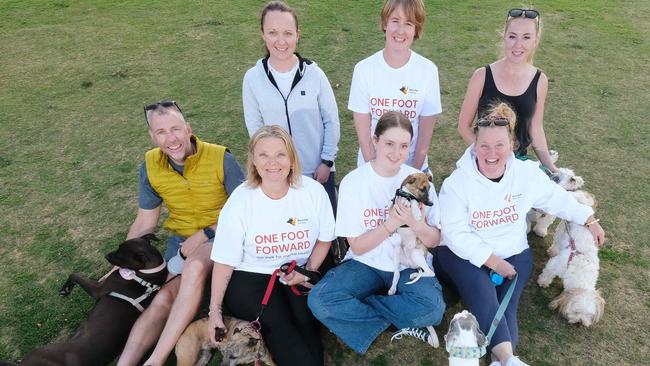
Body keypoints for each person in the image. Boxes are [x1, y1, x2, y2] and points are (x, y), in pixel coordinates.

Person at [434, 103, 605, 366]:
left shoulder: (526, 174)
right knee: (482, 291)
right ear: (474, 144)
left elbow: (556, 199)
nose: (491, 154)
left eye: (499, 145)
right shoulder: (457, 183)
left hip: (514, 253)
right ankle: (508, 359)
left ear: (513, 143)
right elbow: (455, 234)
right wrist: (492, 261)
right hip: (462, 256)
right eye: (484, 146)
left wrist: (588, 218)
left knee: (507, 304)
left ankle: (498, 360)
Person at [116, 100, 244, 366]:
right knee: (163, 298)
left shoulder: (222, 158)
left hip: (222, 236)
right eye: (161, 132)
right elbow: (144, 222)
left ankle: (156, 360)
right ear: (152, 136)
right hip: (181, 242)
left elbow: (247, 213)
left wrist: (205, 233)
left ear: (188, 129)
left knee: (195, 267)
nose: (170, 138)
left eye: (175, 129)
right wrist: (124, 258)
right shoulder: (150, 166)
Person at [308, 111, 445, 355]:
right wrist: (392, 223)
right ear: (375, 140)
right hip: (365, 264)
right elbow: (358, 247)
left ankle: (361, 310)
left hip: (406, 264)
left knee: (433, 309)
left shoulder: (420, 181)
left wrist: (417, 225)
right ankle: (405, 319)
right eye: (389, 144)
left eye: (404, 146)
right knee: (320, 300)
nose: (396, 153)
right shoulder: (354, 182)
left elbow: (434, 239)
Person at [207, 125, 335, 366]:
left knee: (307, 324)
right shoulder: (241, 200)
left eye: (280, 154)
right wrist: (214, 311)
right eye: (263, 155)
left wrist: (308, 271)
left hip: (297, 272)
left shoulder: (313, 192)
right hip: (251, 278)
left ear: (291, 158)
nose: (272, 162)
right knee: (283, 331)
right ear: (253, 160)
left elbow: (325, 239)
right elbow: (224, 260)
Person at [242, 1, 340, 213]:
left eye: (287, 33)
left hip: (317, 171)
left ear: (298, 35)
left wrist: (327, 161)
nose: (281, 41)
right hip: (276, 174)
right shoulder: (252, 78)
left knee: (325, 234)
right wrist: (269, 167)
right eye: (273, 32)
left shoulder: (315, 74)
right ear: (262, 34)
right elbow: (255, 128)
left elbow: (331, 120)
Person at [457, 8, 558, 172]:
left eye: (526, 37)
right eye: (512, 36)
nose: (518, 45)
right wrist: (488, 154)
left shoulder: (540, 81)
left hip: (518, 164)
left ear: (535, 41)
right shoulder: (481, 76)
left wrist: (551, 168)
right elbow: (463, 126)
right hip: (482, 162)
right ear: (504, 37)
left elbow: (536, 129)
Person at [349, 0, 441, 172]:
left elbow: (424, 138)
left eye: (408, 23)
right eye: (395, 21)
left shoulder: (428, 71)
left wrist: (412, 174)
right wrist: (375, 172)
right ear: (385, 23)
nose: (400, 31)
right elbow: (364, 136)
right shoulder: (363, 70)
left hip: (412, 168)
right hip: (372, 166)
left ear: (416, 29)